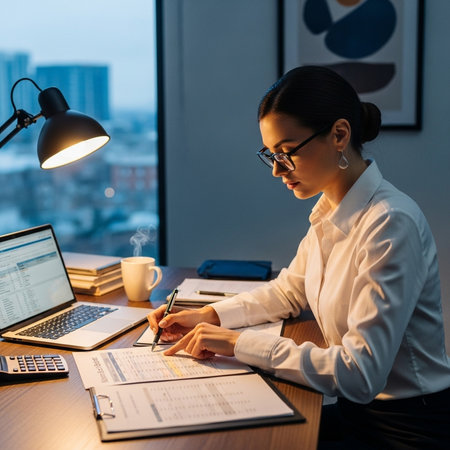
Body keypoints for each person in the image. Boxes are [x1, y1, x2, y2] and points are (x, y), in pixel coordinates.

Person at [148, 66, 450, 448]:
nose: (277, 170)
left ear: (339, 135)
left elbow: (360, 373)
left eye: (287, 153)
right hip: (362, 413)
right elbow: (289, 291)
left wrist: (236, 344)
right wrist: (209, 316)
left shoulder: (390, 222)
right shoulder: (332, 210)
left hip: (407, 427)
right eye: (270, 155)